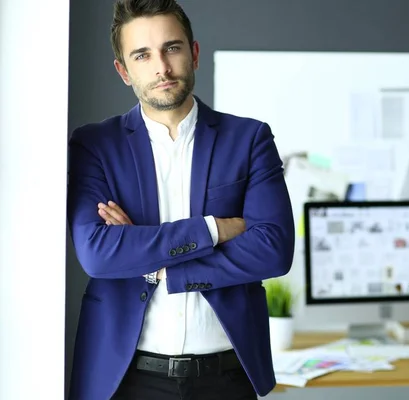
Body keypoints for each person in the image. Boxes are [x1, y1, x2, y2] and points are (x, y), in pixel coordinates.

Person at [66, 0, 295, 399]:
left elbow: (274, 250)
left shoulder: (249, 139)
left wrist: (158, 269)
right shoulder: (95, 145)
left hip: (227, 376)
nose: (162, 68)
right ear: (124, 70)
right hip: (125, 379)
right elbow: (99, 255)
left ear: (193, 53)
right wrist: (215, 228)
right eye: (142, 55)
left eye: (172, 48)